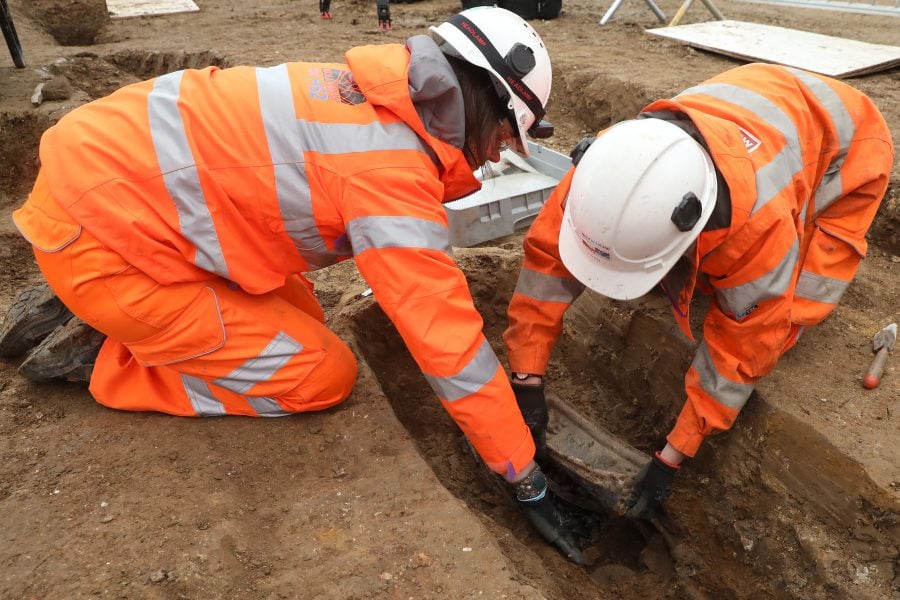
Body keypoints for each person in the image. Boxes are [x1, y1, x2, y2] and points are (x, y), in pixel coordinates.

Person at [1, 7, 583, 562]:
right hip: (105, 239)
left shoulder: (373, 95)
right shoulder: (390, 174)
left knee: (305, 314)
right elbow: (446, 341)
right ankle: (111, 356)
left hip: (113, 198)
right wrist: (521, 475)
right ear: (487, 106)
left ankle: (106, 303)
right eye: (507, 139)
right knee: (319, 375)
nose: (496, 158)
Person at [503, 63, 893, 520]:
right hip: (753, 98)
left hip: (850, 144)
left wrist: (673, 455)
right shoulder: (609, 166)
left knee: (796, 305)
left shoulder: (760, 231)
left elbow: (740, 352)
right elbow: (549, 258)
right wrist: (527, 377)